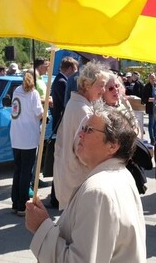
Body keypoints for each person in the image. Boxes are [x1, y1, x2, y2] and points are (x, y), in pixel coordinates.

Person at [26, 106, 146, 263]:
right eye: (82, 128)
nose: (80, 134)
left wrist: (41, 226)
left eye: (89, 130)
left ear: (113, 145)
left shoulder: (98, 191)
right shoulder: (121, 175)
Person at [52, 61, 107, 209]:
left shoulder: (76, 104)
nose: (103, 90)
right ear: (87, 84)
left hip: (69, 178)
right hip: (77, 181)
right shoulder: (83, 110)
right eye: (100, 85)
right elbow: (84, 152)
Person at [45, 56, 77, 207]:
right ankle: (55, 197)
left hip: (59, 124)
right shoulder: (62, 82)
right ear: (70, 69)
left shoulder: (59, 80)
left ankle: (55, 196)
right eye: (75, 70)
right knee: (61, 162)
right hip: (61, 124)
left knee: (60, 161)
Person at [10, 72, 43, 216]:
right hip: (28, 136)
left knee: (18, 170)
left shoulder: (16, 91)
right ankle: (23, 204)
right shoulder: (33, 93)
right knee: (25, 172)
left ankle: (15, 202)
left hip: (16, 136)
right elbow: (39, 113)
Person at [141, 73, 156, 144]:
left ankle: (155, 138)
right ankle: (152, 139)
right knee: (151, 124)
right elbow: (143, 99)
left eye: (154, 78)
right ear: (149, 79)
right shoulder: (146, 87)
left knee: (155, 125)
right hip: (151, 108)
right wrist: (151, 99)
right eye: (151, 78)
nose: (153, 79)